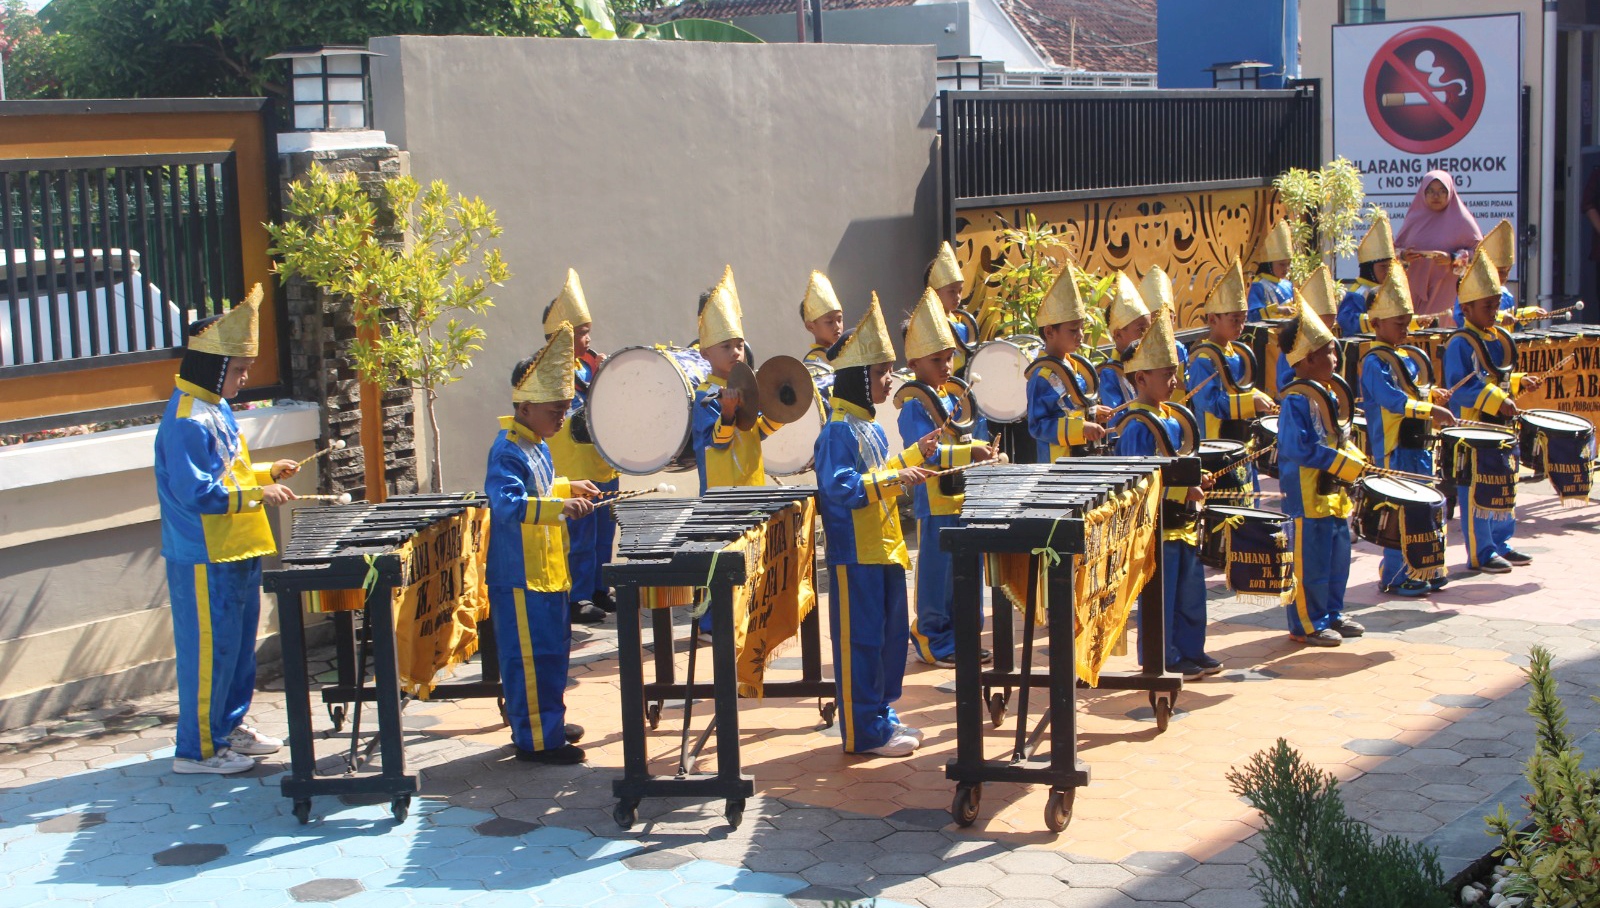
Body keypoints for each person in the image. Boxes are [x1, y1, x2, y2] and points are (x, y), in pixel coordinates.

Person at [155, 286, 295, 774]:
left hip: (237, 547)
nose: (245, 377)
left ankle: (228, 727)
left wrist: (266, 474)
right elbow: (196, 494)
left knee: (236, 651)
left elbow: (227, 476)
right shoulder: (187, 420)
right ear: (213, 367)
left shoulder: (216, 406)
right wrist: (258, 494)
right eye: (238, 369)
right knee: (208, 655)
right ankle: (197, 751)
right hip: (204, 554)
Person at [814, 293, 937, 757]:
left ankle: (880, 716)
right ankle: (863, 731)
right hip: (856, 555)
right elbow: (840, 488)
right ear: (858, 378)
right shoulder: (836, 431)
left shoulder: (870, 426)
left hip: (884, 549)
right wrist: (894, 477)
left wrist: (914, 455)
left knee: (888, 639)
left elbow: (879, 473)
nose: (890, 380)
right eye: (882, 372)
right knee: (860, 642)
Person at [484, 323, 602, 765]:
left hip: (549, 571)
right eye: (556, 410)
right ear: (526, 407)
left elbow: (541, 489)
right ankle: (535, 740)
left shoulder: (538, 443)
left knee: (553, 654)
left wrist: (568, 487)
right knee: (529, 660)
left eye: (566, 409)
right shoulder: (507, 450)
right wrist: (559, 507)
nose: (562, 418)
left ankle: (548, 723)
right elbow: (507, 504)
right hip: (519, 576)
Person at [1114, 306, 1217, 680]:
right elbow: (1137, 481)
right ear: (1141, 378)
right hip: (1156, 526)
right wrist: (1181, 491)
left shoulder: (1173, 417)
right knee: (1161, 596)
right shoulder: (1135, 425)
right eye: (1165, 374)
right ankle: (1162, 656)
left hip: (1183, 523)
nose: (1174, 381)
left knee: (1190, 593)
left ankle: (1191, 650)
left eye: (1175, 372)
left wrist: (1198, 481)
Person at [898, 288, 995, 667]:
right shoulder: (913, 406)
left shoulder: (957, 396)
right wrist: (971, 452)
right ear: (914, 363)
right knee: (937, 577)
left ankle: (964, 636)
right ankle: (931, 638)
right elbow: (927, 453)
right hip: (935, 504)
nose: (946, 365)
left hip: (966, 500)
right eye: (936, 359)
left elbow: (973, 436)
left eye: (949, 356)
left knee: (967, 572)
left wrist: (986, 450)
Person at [1444, 248, 1543, 573]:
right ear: (1467, 308)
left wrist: (1517, 381)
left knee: (1503, 483)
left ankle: (1501, 542)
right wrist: (1498, 399)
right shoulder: (1460, 343)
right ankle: (1481, 552)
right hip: (1472, 429)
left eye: (1496, 305)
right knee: (1476, 489)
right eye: (1487, 306)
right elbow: (1462, 386)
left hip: (1498, 426)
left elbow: (1496, 376)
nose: (1494, 311)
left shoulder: (1496, 337)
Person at [1276, 300, 1368, 647]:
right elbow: (1295, 447)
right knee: (1309, 563)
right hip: (1306, 495)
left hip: (1333, 494)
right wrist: (1341, 462)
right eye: (1328, 352)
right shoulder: (1295, 399)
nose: (1335, 358)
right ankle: (1306, 623)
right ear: (1306, 360)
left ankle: (1332, 613)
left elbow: (1339, 438)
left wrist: (1358, 461)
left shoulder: (1327, 392)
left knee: (1336, 558)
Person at [1360, 270, 1455, 596]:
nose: (1405, 329)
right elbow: (1392, 400)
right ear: (1377, 324)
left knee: (1425, 506)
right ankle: (1395, 575)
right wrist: (1429, 410)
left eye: (1406, 322)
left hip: (1419, 444)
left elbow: (1414, 393)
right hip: (1394, 445)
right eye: (1398, 323)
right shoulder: (1374, 362)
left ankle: (1427, 565)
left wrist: (1432, 396)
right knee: (1399, 509)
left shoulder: (1405, 357)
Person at [542, 269, 614, 625]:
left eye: (588, 331)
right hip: (573, 466)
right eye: (581, 332)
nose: (588, 339)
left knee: (603, 532)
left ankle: (599, 587)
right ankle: (577, 596)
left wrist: (606, 374)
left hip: (601, 463)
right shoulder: (547, 371)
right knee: (579, 537)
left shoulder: (587, 367)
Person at [692, 266, 784, 493]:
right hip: (721, 497)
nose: (735, 352)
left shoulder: (748, 387)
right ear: (705, 353)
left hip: (752, 487)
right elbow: (717, 443)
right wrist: (727, 412)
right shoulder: (705, 395)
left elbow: (757, 432)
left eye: (739, 346)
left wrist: (780, 414)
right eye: (726, 347)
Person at [1027, 263, 1111, 462]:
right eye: (1073, 330)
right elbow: (1037, 426)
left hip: (1084, 458)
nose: (1080, 335)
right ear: (1050, 332)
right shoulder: (1041, 376)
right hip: (1057, 464)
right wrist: (1080, 428)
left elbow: (1073, 410)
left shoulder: (1077, 369)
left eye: (1082, 328)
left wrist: (1093, 414)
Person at [1188, 256, 1277, 440]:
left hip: (1238, 435)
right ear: (1213, 319)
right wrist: (1250, 402)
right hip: (1213, 441)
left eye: (1243, 320)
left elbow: (1243, 389)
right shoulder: (1203, 360)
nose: (1241, 326)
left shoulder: (1236, 353)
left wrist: (1263, 400)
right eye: (1235, 320)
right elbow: (1209, 402)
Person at [1396, 170, 1482, 322]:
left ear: (1450, 192)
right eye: (1430, 191)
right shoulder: (1414, 218)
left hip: (1446, 288)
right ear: (1423, 193)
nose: (1436, 196)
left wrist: (1453, 258)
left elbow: (1480, 256)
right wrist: (1404, 255)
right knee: (1413, 330)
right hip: (1413, 288)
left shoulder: (1462, 220)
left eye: (1442, 191)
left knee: (1440, 329)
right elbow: (1393, 252)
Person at [1450, 220, 1547, 330]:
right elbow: (1462, 319)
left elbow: (1512, 324)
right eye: (1500, 271)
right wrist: (1499, 317)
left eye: (1508, 271)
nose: (1505, 276)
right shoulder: (1470, 294)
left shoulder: (1506, 295)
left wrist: (1530, 313)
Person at [1096, 270, 1153, 428]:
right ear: (1118, 335)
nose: (1146, 336)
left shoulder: (1149, 366)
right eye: (1141, 330)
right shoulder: (1109, 372)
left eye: (1149, 330)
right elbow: (1115, 419)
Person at [1277, 265, 1341, 392]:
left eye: (1330, 328)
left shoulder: (1328, 346)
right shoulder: (1296, 350)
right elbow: (1285, 384)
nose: (1327, 333)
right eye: (1322, 326)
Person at [1338, 210, 1402, 337]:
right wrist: (1379, 321)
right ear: (1369, 269)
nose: (1388, 271)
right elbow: (1346, 320)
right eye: (1383, 267)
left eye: (1390, 266)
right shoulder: (1358, 293)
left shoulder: (1393, 289)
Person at [926, 241, 976, 374]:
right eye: (952, 291)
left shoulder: (958, 318)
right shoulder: (928, 322)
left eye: (960, 291)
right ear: (934, 292)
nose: (957, 297)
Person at [1248, 220, 1297, 322]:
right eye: (1282, 264)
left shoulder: (1288, 285)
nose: (1286, 268)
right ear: (1269, 264)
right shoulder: (1258, 285)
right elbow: (1251, 316)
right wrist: (1277, 310)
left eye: (1288, 264)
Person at [800, 270, 845, 365]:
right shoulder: (814, 361)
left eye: (839, 320)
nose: (837, 326)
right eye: (829, 322)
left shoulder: (845, 354)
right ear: (810, 326)